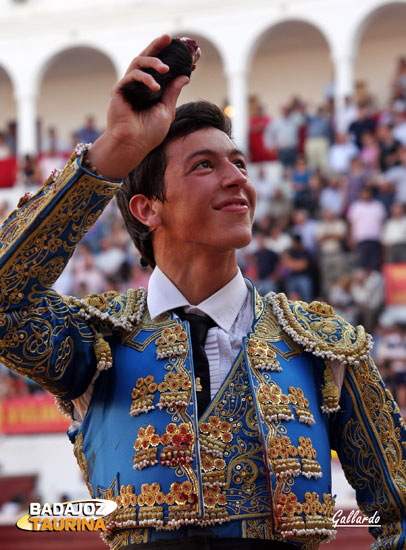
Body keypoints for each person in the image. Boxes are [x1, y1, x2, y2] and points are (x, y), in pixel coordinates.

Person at [0, 34, 405, 550]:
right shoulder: (95, 341)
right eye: (204, 166)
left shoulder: (325, 346)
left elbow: (399, 511)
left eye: (237, 163)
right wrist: (115, 151)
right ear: (147, 209)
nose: (237, 179)